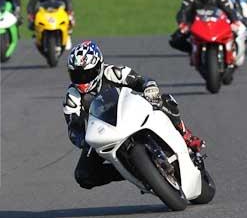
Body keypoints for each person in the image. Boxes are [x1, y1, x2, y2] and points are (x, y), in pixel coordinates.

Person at [63, 41, 205, 189]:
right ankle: (128, 172)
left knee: (164, 100)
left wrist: (149, 87)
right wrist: (83, 141)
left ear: (99, 66)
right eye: (77, 75)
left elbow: (141, 80)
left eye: (87, 74)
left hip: (130, 112)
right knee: (83, 175)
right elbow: (73, 127)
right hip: (104, 131)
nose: (82, 80)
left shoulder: (113, 72)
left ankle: (185, 134)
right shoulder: (72, 96)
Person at [170, 0, 246, 66]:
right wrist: (183, 23)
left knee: (239, 33)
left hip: (218, 23)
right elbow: (183, 10)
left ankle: (234, 54)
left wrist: (235, 21)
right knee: (175, 40)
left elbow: (229, 10)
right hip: (196, 23)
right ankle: (193, 50)